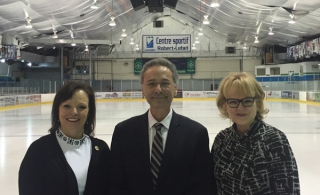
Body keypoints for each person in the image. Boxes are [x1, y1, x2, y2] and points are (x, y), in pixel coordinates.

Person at [109, 58, 214, 195]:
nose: (158, 90)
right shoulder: (123, 132)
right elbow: (116, 184)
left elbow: (201, 186)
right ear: (143, 89)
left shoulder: (196, 134)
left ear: (175, 88)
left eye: (165, 83)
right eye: (151, 84)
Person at [211, 72, 300, 194]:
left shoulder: (274, 140)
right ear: (225, 105)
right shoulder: (221, 140)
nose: (240, 108)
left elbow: (288, 190)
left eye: (247, 101)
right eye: (233, 102)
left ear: (258, 102)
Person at [19, 81, 110, 195]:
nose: (74, 112)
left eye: (81, 107)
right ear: (57, 110)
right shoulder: (38, 150)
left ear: (89, 112)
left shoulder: (101, 149)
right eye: (67, 106)